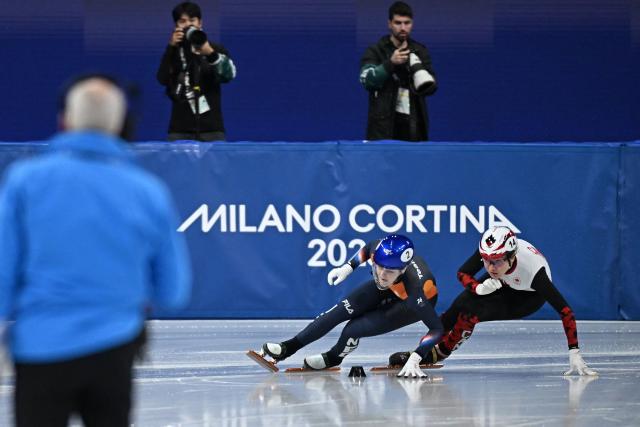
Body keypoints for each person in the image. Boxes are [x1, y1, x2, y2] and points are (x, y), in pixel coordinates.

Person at [0, 75, 192, 427]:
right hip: (113, 350)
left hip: (40, 348)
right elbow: (173, 290)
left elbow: (3, 273)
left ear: (65, 120)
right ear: (119, 124)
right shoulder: (147, 191)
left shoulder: (25, 181)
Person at [389, 227, 598, 376]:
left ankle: (440, 352)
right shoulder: (492, 254)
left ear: (511, 256)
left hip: (525, 298)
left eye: (496, 261)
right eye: (486, 261)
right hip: (503, 282)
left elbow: (565, 311)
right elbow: (462, 272)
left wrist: (574, 352)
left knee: (471, 312)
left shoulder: (535, 273)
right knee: (459, 304)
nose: (490, 267)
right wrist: (478, 287)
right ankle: (420, 353)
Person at [261, 234, 444, 378]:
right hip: (393, 287)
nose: (381, 275)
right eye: (378, 267)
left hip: (408, 304)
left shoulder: (416, 288)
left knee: (353, 330)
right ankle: (287, 348)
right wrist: (347, 267)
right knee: (336, 313)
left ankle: (333, 357)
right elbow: (367, 249)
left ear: (403, 269)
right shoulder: (380, 250)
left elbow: (436, 329)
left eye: (388, 271)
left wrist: (417, 356)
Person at [157, 2, 236, 142]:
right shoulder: (173, 51)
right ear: (176, 26)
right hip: (179, 129)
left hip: (212, 129)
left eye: (192, 20)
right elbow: (162, 79)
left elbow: (229, 75)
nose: (188, 25)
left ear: (200, 23)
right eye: (182, 21)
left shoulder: (215, 48)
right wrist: (171, 47)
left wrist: (210, 53)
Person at [359, 1, 437, 142]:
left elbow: (432, 88)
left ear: (412, 24)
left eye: (407, 23)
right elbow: (367, 81)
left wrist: (417, 71)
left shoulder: (420, 51)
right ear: (389, 24)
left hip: (414, 128)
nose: (403, 28)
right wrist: (390, 63)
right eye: (398, 23)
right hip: (382, 129)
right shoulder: (376, 51)